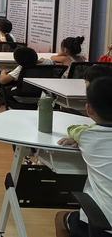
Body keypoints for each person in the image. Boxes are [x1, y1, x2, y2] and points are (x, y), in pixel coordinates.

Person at [56, 77, 112, 237]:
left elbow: (73, 129)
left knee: (61, 218)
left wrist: (79, 138)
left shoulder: (87, 135)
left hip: (104, 225)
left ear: (89, 109)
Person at [0, 47, 41, 118]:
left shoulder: (21, 68)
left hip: (20, 98)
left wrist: (3, 72)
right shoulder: (47, 64)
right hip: (40, 97)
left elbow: (3, 81)